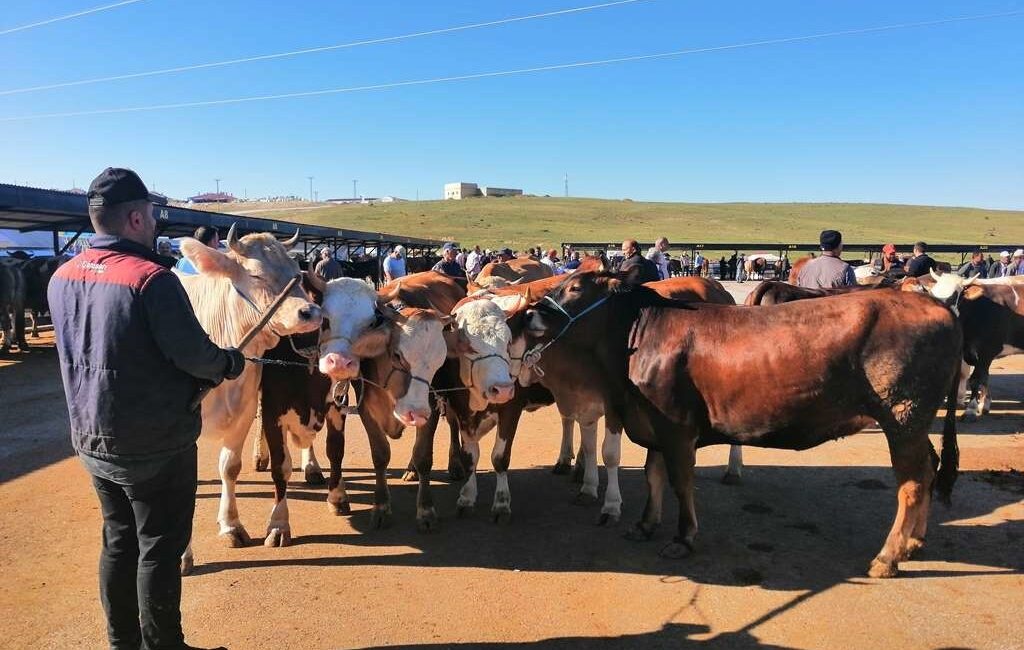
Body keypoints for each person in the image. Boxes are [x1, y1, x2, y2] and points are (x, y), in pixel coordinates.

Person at [48, 168, 243, 650]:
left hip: (91, 435)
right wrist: (229, 361)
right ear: (135, 217)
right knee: (159, 547)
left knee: (118, 541)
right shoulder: (151, 279)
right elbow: (196, 355)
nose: (155, 222)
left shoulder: (62, 274)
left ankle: (123, 644)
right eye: (152, 214)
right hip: (154, 441)